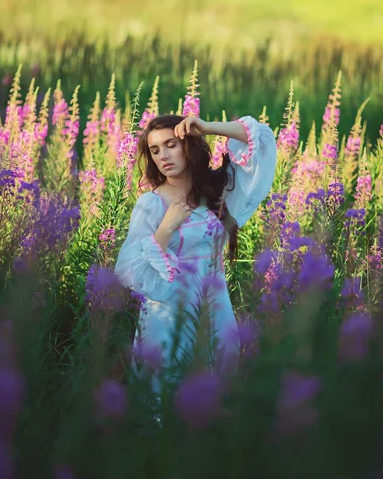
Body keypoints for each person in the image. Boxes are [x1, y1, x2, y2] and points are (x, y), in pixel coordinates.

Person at [114, 113, 277, 392]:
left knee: (214, 401)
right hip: (167, 321)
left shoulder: (218, 193)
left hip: (216, 313)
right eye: (155, 150)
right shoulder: (150, 204)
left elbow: (261, 139)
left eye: (171, 145)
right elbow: (128, 270)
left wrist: (207, 127)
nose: (163, 155)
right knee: (167, 402)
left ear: (188, 144)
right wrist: (166, 227)